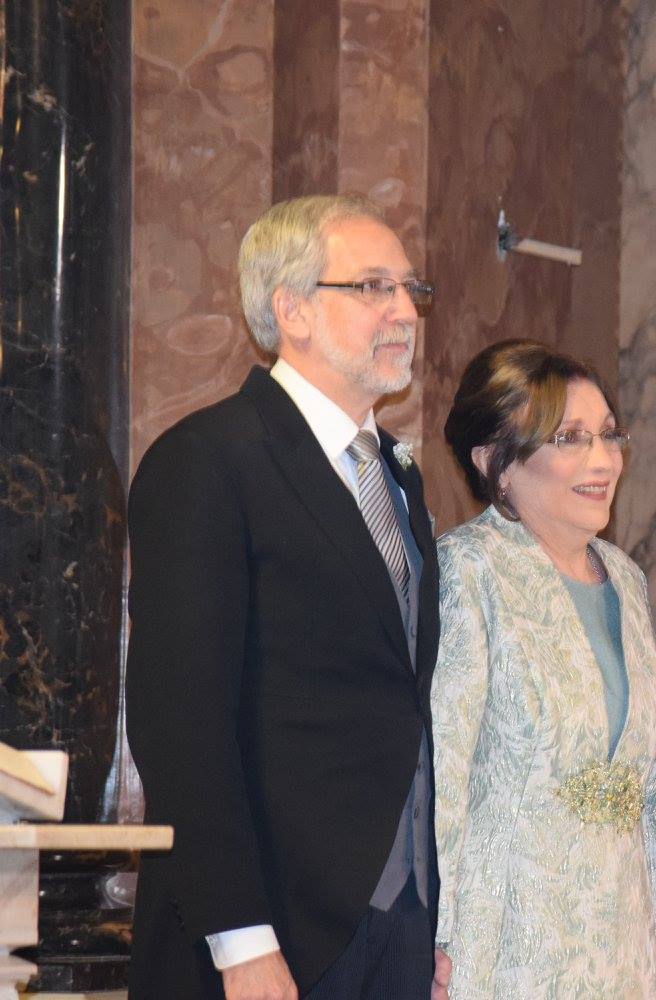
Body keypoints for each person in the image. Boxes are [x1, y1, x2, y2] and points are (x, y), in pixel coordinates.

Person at [127, 194, 449, 999]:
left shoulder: (398, 480)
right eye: (373, 287)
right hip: (274, 928)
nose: (405, 310)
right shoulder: (209, 461)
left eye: (411, 289)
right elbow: (180, 720)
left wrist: (427, 914)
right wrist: (240, 940)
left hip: (395, 925)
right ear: (292, 309)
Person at [431, 339, 656, 998]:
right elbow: (441, 778)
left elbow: (652, 790)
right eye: (570, 438)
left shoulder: (626, 578)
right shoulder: (467, 570)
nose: (602, 460)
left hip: (621, 950)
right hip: (505, 943)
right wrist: (439, 940)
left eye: (607, 435)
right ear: (497, 465)